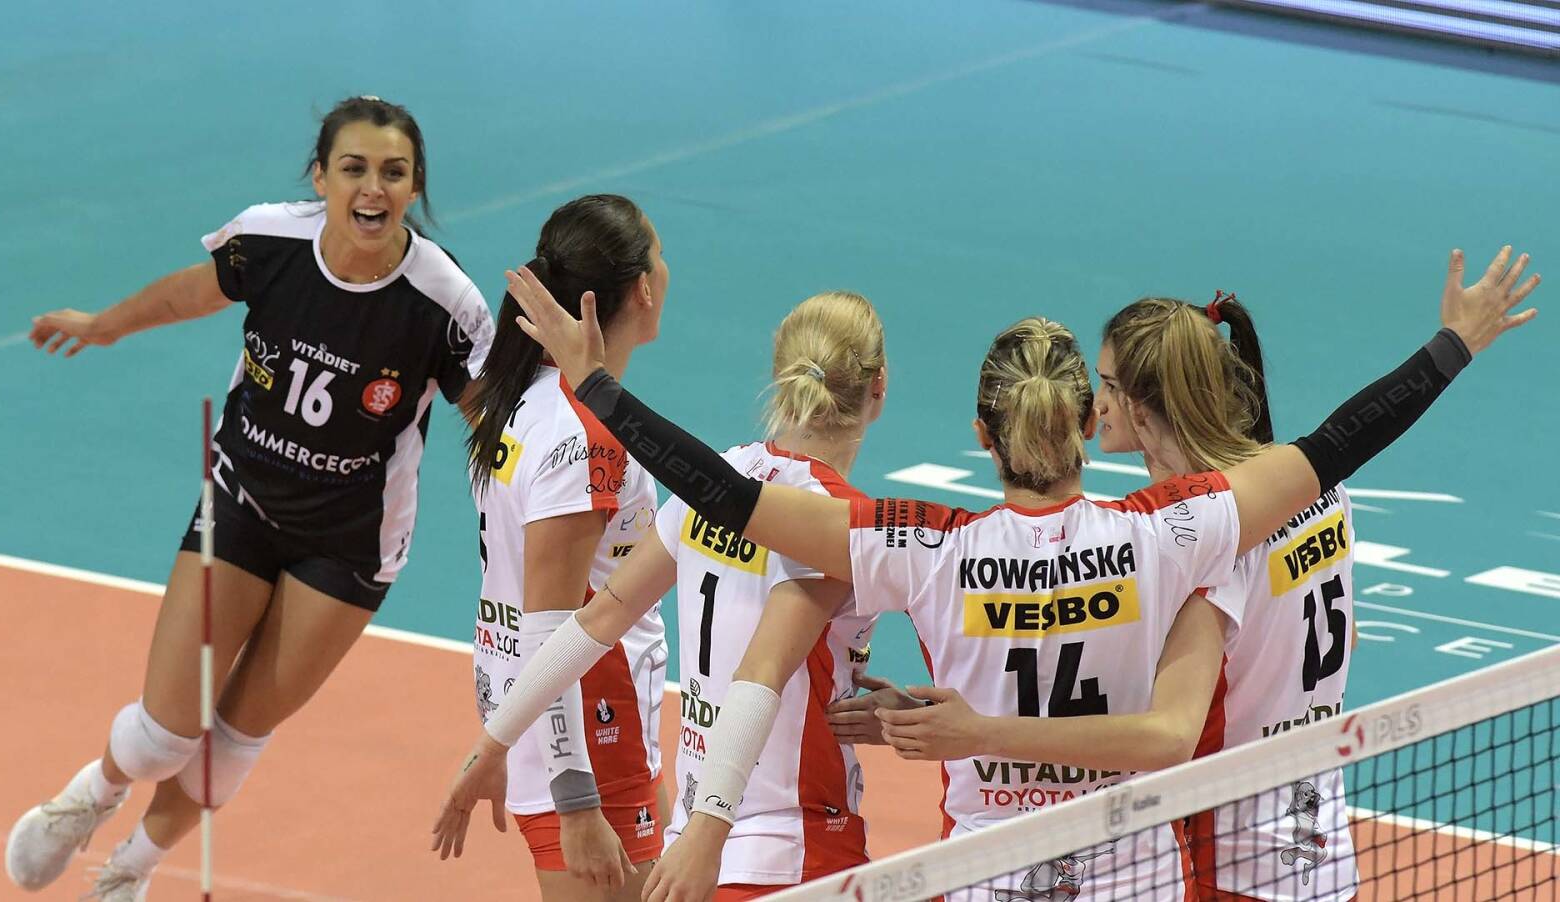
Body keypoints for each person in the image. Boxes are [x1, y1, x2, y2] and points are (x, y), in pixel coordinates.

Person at [493, 245, 1537, 899]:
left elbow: (726, 495)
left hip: (985, 877)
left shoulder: (926, 546)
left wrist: (599, 389)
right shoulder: (1171, 531)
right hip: (1137, 875)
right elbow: (1339, 443)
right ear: (1085, 421)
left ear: (980, 436)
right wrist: (1452, 344)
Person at [7, 96, 494, 901]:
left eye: (393, 172)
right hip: (243, 501)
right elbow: (189, 295)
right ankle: (93, 792)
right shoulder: (271, 240)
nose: (373, 187)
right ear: (321, 177)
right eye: (354, 168)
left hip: (349, 545)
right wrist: (104, 325)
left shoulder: (445, 303)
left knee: (236, 735)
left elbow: (494, 424)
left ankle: (129, 869)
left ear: (415, 189)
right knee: (164, 735)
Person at [437, 291, 902, 901]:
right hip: (792, 845)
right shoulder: (842, 522)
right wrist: (710, 834)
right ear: (878, 386)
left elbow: (593, 622)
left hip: (693, 839)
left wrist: (493, 742)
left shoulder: (719, 478)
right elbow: (759, 677)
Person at [1094, 293, 1362, 900]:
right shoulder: (1322, 492)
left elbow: (1170, 732)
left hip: (1230, 861)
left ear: (1144, 407)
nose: (1096, 403)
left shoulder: (1204, 541)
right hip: (1322, 857)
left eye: (1107, 385)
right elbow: (1344, 638)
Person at [447, 194, 672, 902]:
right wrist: (576, 802)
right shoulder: (583, 436)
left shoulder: (523, 400)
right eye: (660, 255)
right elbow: (553, 627)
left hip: (554, 726)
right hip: (591, 739)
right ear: (642, 288)